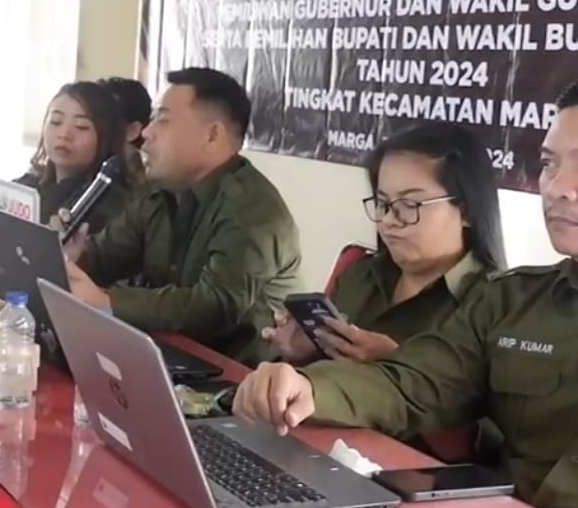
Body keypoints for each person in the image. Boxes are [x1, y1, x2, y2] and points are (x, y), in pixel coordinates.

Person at [233, 84, 578, 508]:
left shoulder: (483, 287)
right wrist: (306, 387)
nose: (557, 187)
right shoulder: (513, 301)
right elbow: (411, 383)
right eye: (548, 163)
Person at [61, 67, 302, 364]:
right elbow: (106, 256)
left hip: (238, 377)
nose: (146, 133)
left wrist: (106, 300)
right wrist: (71, 259)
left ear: (212, 135)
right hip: (168, 359)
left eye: (162, 120)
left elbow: (216, 305)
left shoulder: (254, 209)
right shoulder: (160, 193)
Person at [264, 121, 507, 365]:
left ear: (466, 212)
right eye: (382, 203)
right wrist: (305, 353)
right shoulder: (360, 275)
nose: (388, 220)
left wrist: (395, 363)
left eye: (409, 205)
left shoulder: (496, 306)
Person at [16, 81, 143, 235]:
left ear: (106, 137)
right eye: (56, 122)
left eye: (81, 127)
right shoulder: (26, 186)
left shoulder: (112, 206)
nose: (64, 134)